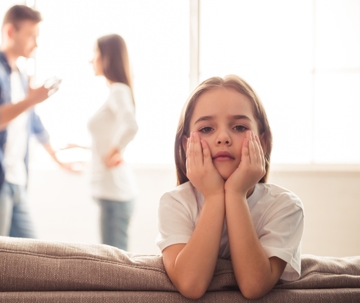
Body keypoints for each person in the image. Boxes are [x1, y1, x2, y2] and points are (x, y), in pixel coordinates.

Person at [156, 75, 304, 300]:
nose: (223, 138)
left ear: (262, 142)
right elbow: (190, 284)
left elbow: (254, 286)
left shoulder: (284, 206)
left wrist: (235, 194)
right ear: (187, 145)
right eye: (206, 129)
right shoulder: (174, 203)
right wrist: (215, 196)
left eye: (239, 127)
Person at [0, 5, 72, 238]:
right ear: (10, 32)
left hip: (16, 179)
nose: (35, 44)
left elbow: (32, 122)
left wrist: (58, 159)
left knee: (31, 256)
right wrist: (29, 101)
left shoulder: (19, 75)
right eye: (31, 36)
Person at [87, 34, 138, 251]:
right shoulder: (115, 92)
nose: (92, 59)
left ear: (107, 57)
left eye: (95, 53)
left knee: (113, 266)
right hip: (110, 194)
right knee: (111, 260)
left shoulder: (118, 90)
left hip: (115, 195)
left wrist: (114, 153)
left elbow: (131, 126)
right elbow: (111, 135)